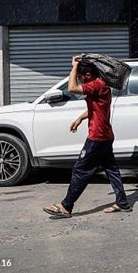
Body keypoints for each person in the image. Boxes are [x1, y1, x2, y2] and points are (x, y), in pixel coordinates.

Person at [43, 56, 131, 218]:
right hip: (105, 135)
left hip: (97, 137)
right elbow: (97, 108)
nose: (80, 80)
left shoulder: (97, 84)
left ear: (87, 75)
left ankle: (66, 206)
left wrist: (74, 67)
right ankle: (122, 202)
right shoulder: (102, 85)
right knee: (111, 169)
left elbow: (71, 88)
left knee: (80, 170)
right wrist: (80, 118)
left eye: (81, 77)